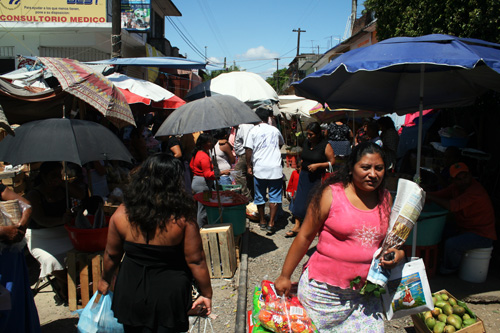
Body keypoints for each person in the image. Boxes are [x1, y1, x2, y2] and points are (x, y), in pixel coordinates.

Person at [274, 142, 405, 332]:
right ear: (351, 168)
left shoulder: (385, 198)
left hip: (364, 294)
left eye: (379, 168)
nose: (373, 174)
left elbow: (388, 242)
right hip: (323, 294)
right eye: (365, 167)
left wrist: (397, 255)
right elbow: (305, 236)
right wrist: (285, 275)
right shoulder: (331, 194)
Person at [98, 154, 212, 332]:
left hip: (130, 289)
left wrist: (105, 280)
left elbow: (112, 254)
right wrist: (206, 293)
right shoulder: (182, 218)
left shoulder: (122, 213)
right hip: (169, 294)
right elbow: (195, 260)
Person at [25, 161, 86, 305]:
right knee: (51, 261)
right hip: (41, 237)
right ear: (44, 176)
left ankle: (67, 286)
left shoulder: (62, 189)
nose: (56, 178)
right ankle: (69, 286)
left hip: (63, 233)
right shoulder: (34, 195)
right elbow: (41, 220)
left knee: (83, 253)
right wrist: (61, 219)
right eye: (53, 175)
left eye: (59, 175)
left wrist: (63, 183)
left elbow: (81, 195)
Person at [426, 162, 496, 274]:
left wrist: (429, 196)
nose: (463, 180)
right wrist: (426, 194)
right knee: (439, 232)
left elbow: (453, 206)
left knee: (452, 244)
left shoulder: (475, 191)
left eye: (465, 176)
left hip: (482, 234)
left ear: (470, 175)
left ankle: (449, 269)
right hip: (465, 228)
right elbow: (441, 194)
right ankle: (440, 261)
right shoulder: (456, 187)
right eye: (459, 178)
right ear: (453, 180)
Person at [0, 185, 40, 332]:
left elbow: (26, 205)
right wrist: (2, 232)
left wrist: (21, 226)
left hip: (9, 257)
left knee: (13, 301)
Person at [288, 122, 335, 237]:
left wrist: (318, 165)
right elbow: (304, 156)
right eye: (308, 134)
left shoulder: (325, 145)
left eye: (311, 135)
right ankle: (298, 225)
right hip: (304, 175)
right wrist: (301, 165)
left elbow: (332, 162)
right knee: (299, 199)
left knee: (314, 201)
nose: (309, 137)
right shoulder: (306, 143)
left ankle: (313, 227)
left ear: (318, 134)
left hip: (317, 178)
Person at [245, 107, 284, 234]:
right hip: (275, 169)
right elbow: (280, 144)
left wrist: (249, 166)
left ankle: (262, 221)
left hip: (260, 168)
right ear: (268, 118)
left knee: (260, 196)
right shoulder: (275, 130)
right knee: (275, 197)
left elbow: (248, 150)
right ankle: (271, 223)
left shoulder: (252, 131)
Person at [190, 133, 231, 227]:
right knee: (203, 209)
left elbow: (192, 166)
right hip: (202, 185)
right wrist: (222, 172)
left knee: (203, 208)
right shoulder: (203, 156)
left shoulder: (199, 153)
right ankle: (201, 230)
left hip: (199, 182)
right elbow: (208, 174)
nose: (212, 143)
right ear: (204, 143)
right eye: (209, 141)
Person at [233, 123, 255, 201]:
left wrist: (248, 162)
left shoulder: (244, 127)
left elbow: (247, 145)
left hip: (245, 154)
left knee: (237, 172)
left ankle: (246, 196)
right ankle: (250, 194)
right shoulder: (239, 128)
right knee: (248, 176)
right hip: (243, 154)